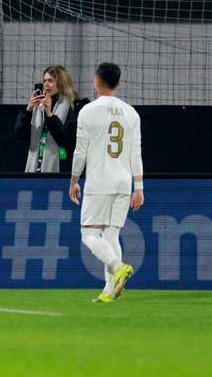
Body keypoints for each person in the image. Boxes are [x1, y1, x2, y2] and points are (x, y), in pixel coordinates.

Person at [68, 62, 142, 303]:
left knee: (88, 235)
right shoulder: (131, 113)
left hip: (99, 181)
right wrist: (139, 187)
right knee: (111, 235)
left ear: (96, 81)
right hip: (123, 182)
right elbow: (136, 153)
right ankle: (110, 290)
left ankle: (119, 267)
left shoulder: (88, 111)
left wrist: (74, 180)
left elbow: (80, 151)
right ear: (118, 83)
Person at [15, 65, 89, 173]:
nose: (46, 84)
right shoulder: (38, 106)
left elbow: (67, 140)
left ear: (61, 83)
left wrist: (49, 115)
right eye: (44, 81)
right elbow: (20, 135)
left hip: (63, 169)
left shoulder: (75, 106)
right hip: (35, 168)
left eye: (50, 81)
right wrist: (27, 111)